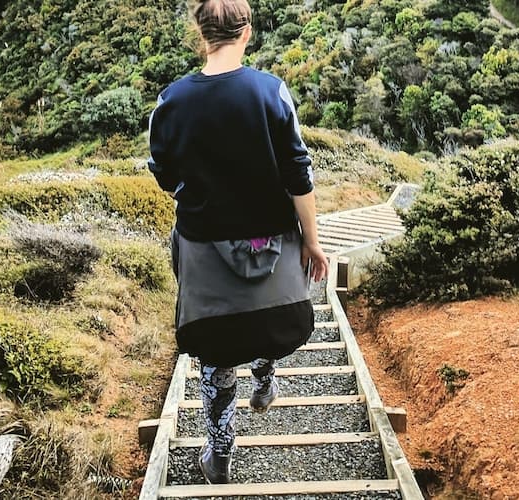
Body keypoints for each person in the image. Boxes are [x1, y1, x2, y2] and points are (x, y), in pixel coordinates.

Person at [146, 0, 330, 485]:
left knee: (216, 349)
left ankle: (219, 453)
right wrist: (311, 242)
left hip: (204, 250)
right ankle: (265, 379)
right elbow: (299, 174)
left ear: (200, 35)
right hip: (273, 245)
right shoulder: (271, 92)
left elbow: (165, 177)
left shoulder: (170, 102)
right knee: (265, 316)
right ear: (247, 32)